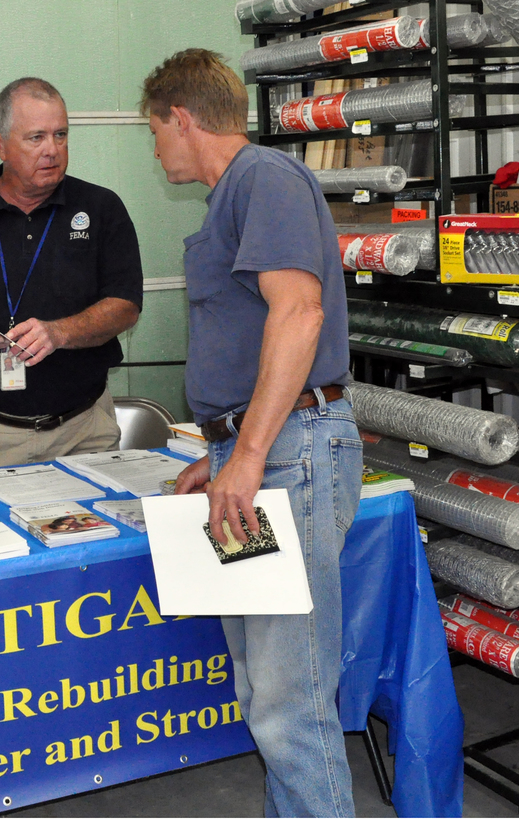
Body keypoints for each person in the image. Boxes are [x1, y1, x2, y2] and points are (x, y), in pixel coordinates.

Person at [140, 50, 362, 817]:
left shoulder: (266, 178)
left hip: (292, 452)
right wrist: (223, 452)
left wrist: (253, 453)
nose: (156, 149)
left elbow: (298, 315)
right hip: (260, 452)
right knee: (262, 687)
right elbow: (246, 341)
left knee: (290, 697)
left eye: (155, 131)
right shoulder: (233, 195)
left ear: (181, 118)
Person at [0, 77, 143, 470]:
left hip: (85, 433)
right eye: (36, 138)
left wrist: (60, 332)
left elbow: (126, 306)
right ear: (0, 144)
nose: (52, 150)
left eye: (61, 135)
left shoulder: (101, 208)